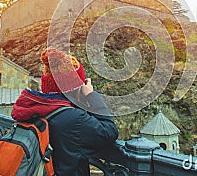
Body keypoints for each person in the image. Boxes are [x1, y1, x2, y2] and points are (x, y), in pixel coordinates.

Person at [11, 48, 118, 176]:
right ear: (76, 87)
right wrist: (91, 95)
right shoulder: (73, 118)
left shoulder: (32, 109)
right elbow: (110, 131)